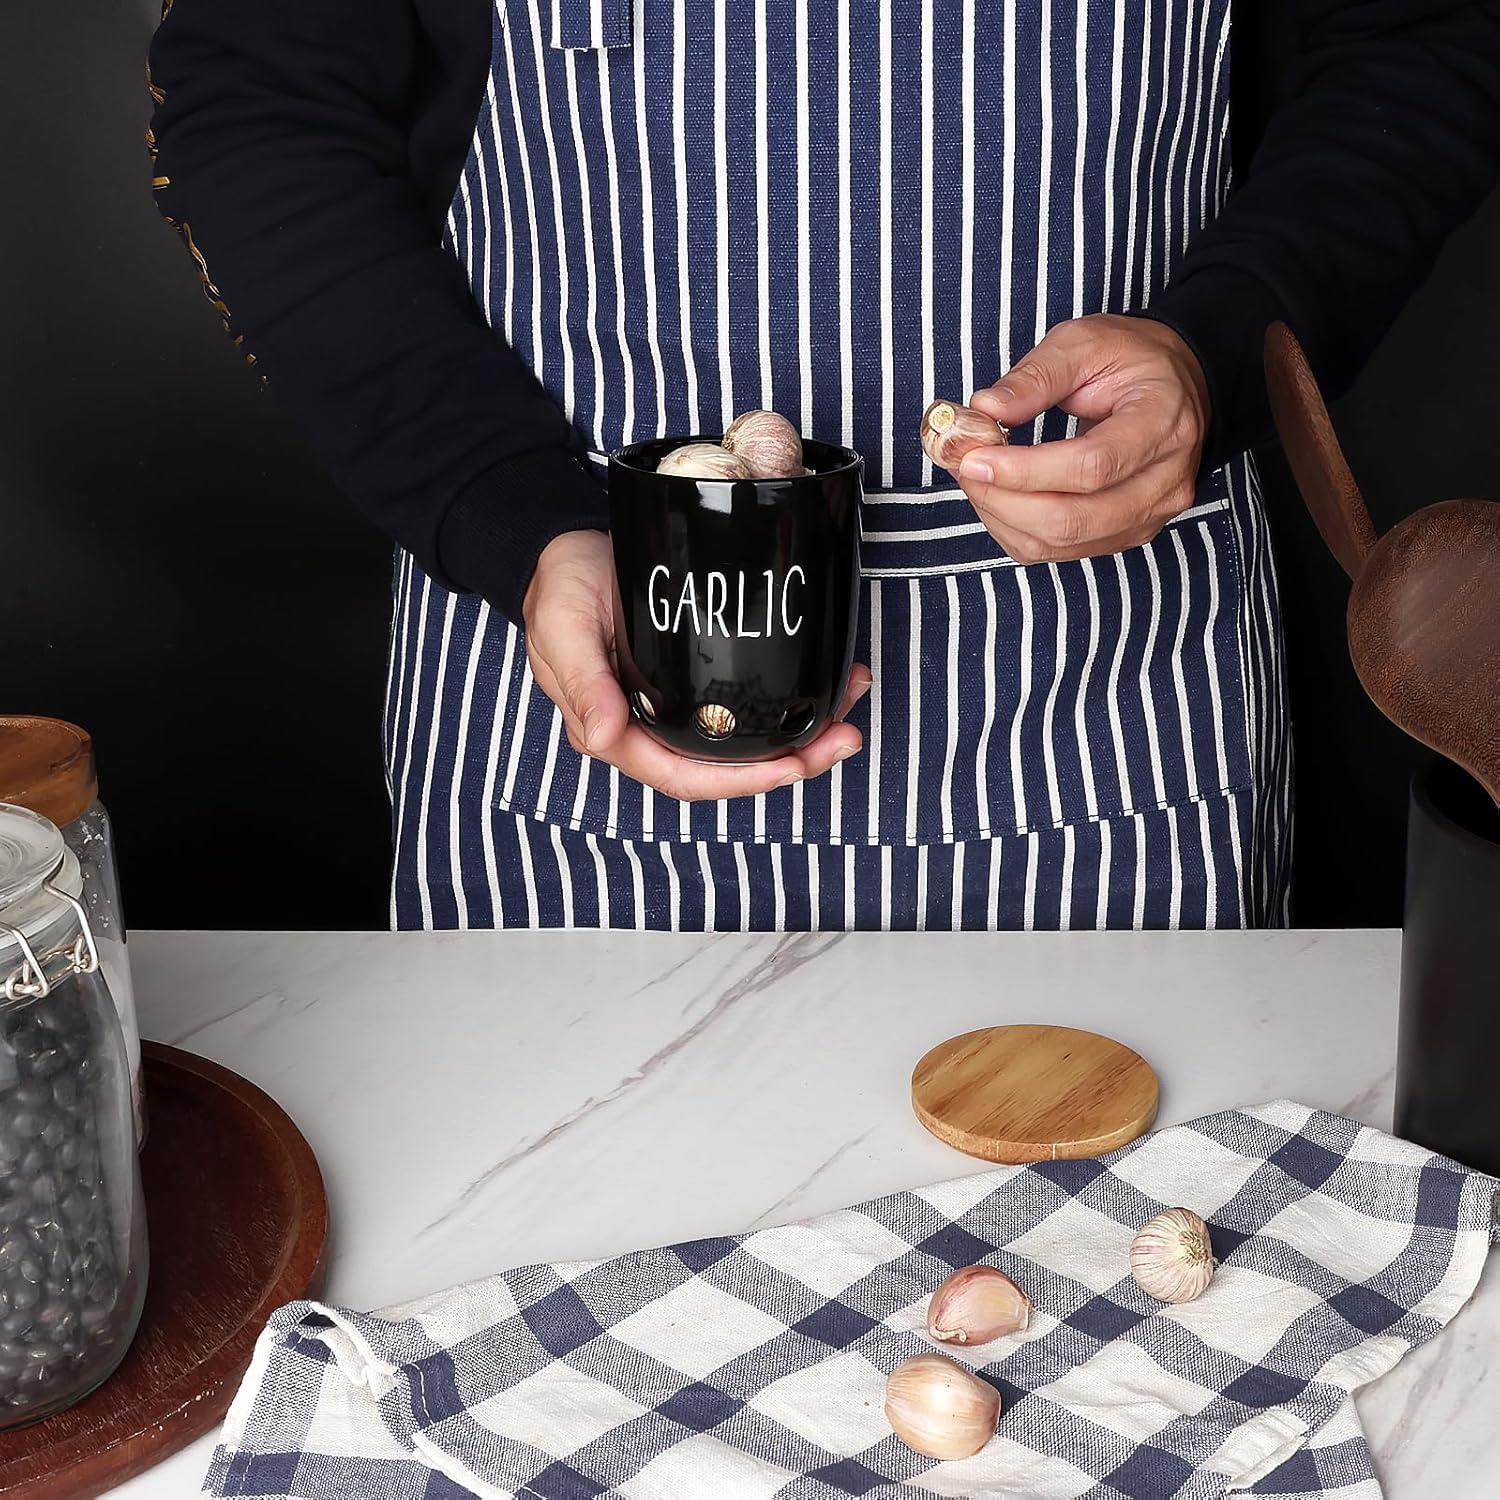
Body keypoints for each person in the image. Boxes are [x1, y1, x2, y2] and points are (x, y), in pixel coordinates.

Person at [146, 0, 1500, 932]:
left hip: (1113, 730)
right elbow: (257, 96)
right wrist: (513, 517)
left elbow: (1420, 34)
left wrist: (1211, 349)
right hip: (572, 699)